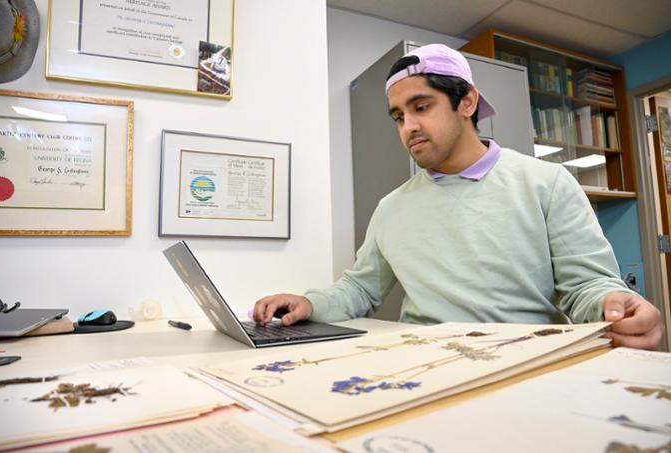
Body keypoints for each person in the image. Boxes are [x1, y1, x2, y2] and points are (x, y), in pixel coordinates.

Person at [253, 43, 663, 351]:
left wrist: (616, 301)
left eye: (421, 106)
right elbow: (360, 290)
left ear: (466, 101)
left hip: (522, 359)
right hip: (421, 361)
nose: (408, 126)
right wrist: (308, 303)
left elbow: (587, 286)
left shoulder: (546, 183)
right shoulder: (392, 207)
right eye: (398, 116)